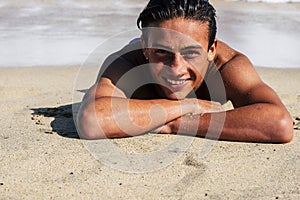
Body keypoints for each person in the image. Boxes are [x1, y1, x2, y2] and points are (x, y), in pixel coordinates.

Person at [76, 0, 293, 143]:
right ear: (145, 47)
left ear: (211, 50)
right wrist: (190, 105)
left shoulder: (227, 66)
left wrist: (176, 123)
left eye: (190, 53)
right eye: (162, 52)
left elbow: (280, 124)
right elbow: (92, 120)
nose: (177, 69)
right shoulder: (127, 63)